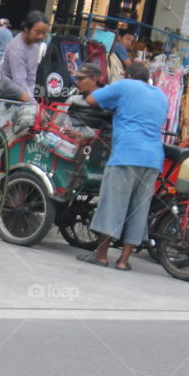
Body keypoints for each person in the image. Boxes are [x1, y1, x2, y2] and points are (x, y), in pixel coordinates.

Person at [77, 61, 168, 271]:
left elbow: (91, 99)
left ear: (128, 76)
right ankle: (124, 260)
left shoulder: (125, 86)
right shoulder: (161, 95)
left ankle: (101, 255)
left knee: (113, 205)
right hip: (153, 159)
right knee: (139, 209)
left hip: (126, 154)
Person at [1, 10, 50, 98]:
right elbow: (19, 82)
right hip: (7, 96)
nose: (41, 36)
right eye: (38, 32)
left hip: (24, 94)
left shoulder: (35, 45)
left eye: (44, 33)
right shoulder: (17, 48)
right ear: (27, 29)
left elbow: (31, 77)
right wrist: (33, 104)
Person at [58, 62, 103, 139]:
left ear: (93, 80)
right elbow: (57, 123)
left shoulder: (107, 104)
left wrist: (81, 135)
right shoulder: (72, 100)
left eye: (81, 78)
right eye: (77, 78)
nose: (76, 82)